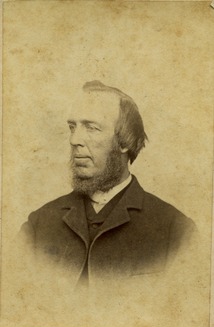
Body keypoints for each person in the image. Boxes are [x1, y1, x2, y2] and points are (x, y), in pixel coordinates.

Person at [19, 80, 196, 289]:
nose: (74, 139)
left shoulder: (176, 231)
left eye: (91, 128)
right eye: (72, 127)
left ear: (124, 142)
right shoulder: (38, 224)